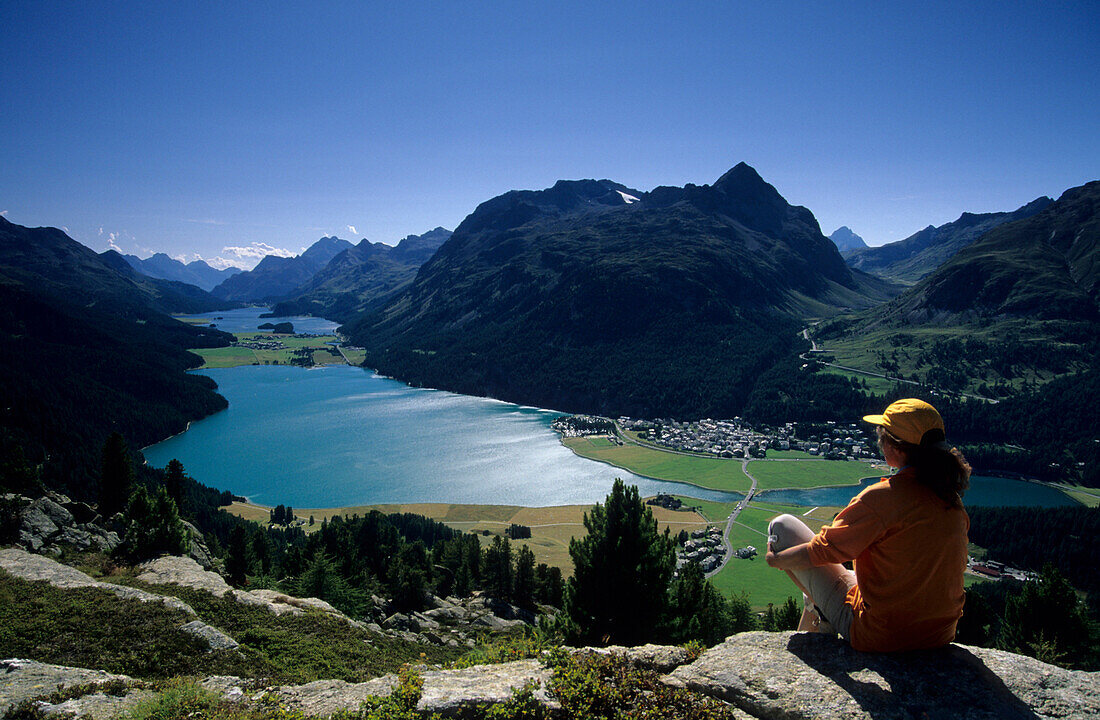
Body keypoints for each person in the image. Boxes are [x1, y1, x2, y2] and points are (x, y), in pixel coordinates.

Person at [765, 398, 971, 652]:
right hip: (939, 635)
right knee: (837, 580)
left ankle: (819, 617)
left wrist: (775, 560)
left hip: (881, 635)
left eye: (881, 436)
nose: (878, 442)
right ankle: (817, 609)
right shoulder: (951, 499)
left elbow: (821, 551)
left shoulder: (882, 497)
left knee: (782, 526)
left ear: (896, 448)